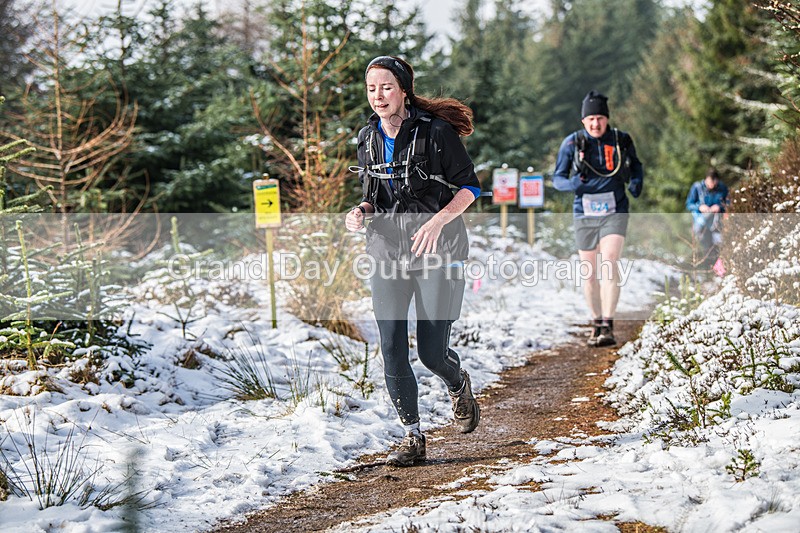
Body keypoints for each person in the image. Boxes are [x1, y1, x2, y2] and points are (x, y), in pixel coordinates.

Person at [344, 56, 481, 467]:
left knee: (432, 354)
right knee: (390, 347)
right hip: (387, 253)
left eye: (386, 87)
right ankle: (412, 436)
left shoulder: (436, 133)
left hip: (437, 251)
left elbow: (470, 187)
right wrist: (361, 212)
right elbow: (375, 194)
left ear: (403, 89)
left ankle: (458, 385)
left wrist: (438, 222)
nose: (378, 96)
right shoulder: (367, 138)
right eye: (371, 89)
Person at [552, 90, 644, 347]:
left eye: (600, 118)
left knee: (610, 263)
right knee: (589, 273)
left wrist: (636, 183)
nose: (596, 123)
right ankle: (595, 322)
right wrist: (572, 184)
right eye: (591, 118)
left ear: (607, 119)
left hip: (615, 210)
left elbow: (636, 165)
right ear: (583, 121)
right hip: (585, 213)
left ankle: (608, 324)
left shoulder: (620, 139)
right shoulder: (572, 143)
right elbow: (556, 179)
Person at [686, 168, 729, 266]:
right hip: (701, 223)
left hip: (716, 223)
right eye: (710, 182)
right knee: (705, 246)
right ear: (705, 179)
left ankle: (718, 267)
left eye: (714, 182)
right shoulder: (697, 187)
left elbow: (728, 203)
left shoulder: (722, 188)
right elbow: (689, 204)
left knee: (719, 244)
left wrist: (719, 207)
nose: (712, 185)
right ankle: (707, 267)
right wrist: (699, 207)